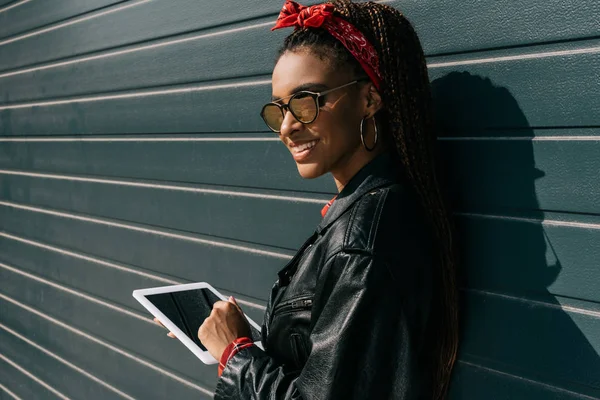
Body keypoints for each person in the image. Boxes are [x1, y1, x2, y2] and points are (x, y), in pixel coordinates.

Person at [156, 0, 459, 398]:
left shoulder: (363, 239)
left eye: (306, 102)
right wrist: (239, 344)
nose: (287, 127)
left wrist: (236, 354)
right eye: (278, 109)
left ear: (369, 99)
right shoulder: (362, 212)